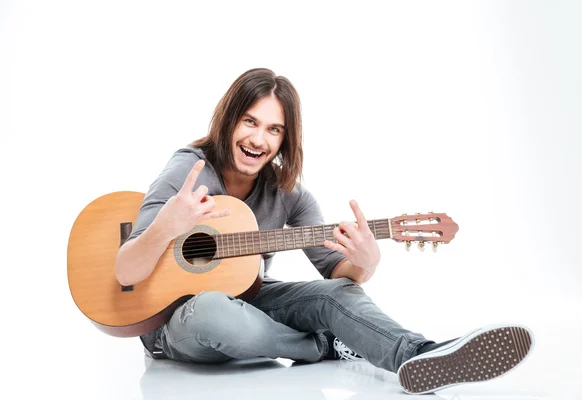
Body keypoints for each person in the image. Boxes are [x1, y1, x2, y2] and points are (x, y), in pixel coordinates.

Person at [114, 68, 534, 395]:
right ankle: (325, 345)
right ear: (228, 121)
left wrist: (364, 264)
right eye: (249, 122)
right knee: (211, 309)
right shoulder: (188, 171)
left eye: (273, 130)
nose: (258, 139)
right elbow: (125, 270)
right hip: (173, 324)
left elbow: (337, 275)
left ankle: (420, 356)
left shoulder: (287, 191)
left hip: (249, 299)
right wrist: (168, 225)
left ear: (285, 138)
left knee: (336, 296)